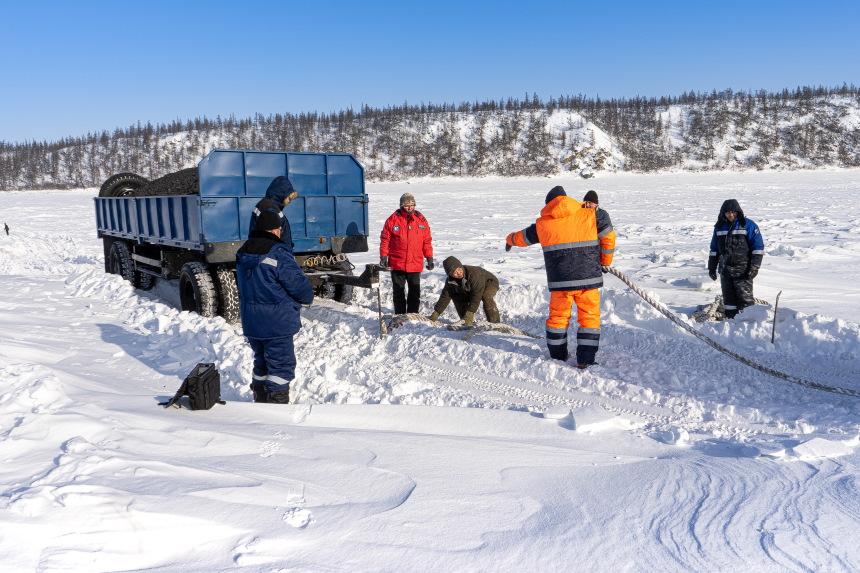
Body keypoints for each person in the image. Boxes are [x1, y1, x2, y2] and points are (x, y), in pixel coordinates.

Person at [505, 186, 616, 368]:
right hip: (588, 280)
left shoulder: (542, 224)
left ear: (548, 204)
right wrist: (605, 261)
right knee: (589, 318)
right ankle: (586, 360)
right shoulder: (589, 215)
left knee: (557, 317)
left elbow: (521, 237)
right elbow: (609, 236)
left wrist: (508, 240)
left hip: (560, 282)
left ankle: (558, 356)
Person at [236, 209, 314, 404]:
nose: (280, 232)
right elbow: (298, 285)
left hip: (252, 322)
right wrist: (307, 297)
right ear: (274, 230)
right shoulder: (278, 253)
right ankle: (276, 409)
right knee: (281, 366)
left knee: (261, 362)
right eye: (279, 229)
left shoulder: (243, 252)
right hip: (277, 323)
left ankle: (260, 401)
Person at [707, 199, 764, 319]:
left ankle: (748, 325)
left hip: (743, 271)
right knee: (729, 302)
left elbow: (757, 248)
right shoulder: (719, 227)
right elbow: (714, 249)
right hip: (725, 271)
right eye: (728, 213)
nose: (731, 215)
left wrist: (755, 266)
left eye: (733, 212)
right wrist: (712, 267)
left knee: (745, 302)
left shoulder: (748, 225)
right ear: (723, 213)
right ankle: (730, 324)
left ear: (738, 212)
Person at [379, 193, 434, 314]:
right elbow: (385, 240)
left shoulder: (421, 220)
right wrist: (383, 256)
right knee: (398, 292)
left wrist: (429, 257)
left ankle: (412, 315)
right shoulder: (392, 220)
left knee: (415, 292)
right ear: (401, 206)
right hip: (397, 263)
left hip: (415, 263)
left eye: (412, 205)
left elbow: (426, 241)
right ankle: (400, 315)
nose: (410, 208)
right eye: (407, 205)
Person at [428, 256, 500, 327]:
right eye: (455, 272)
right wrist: (436, 314)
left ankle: (495, 323)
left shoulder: (474, 274)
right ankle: (465, 321)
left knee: (486, 296)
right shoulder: (450, 282)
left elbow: (476, 295)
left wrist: (470, 313)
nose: (459, 273)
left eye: (459, 269)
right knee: (457, 296)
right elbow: (445, 297)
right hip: (471, 287)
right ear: (450, 274)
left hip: (489, 283)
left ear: (461, 266)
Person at [249, 176, 299, 247]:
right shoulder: (270, 209)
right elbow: (272, 238)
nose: (289, 202)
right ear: (282, 195)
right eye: (289, 198)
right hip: (276, 253)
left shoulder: (265, 205)